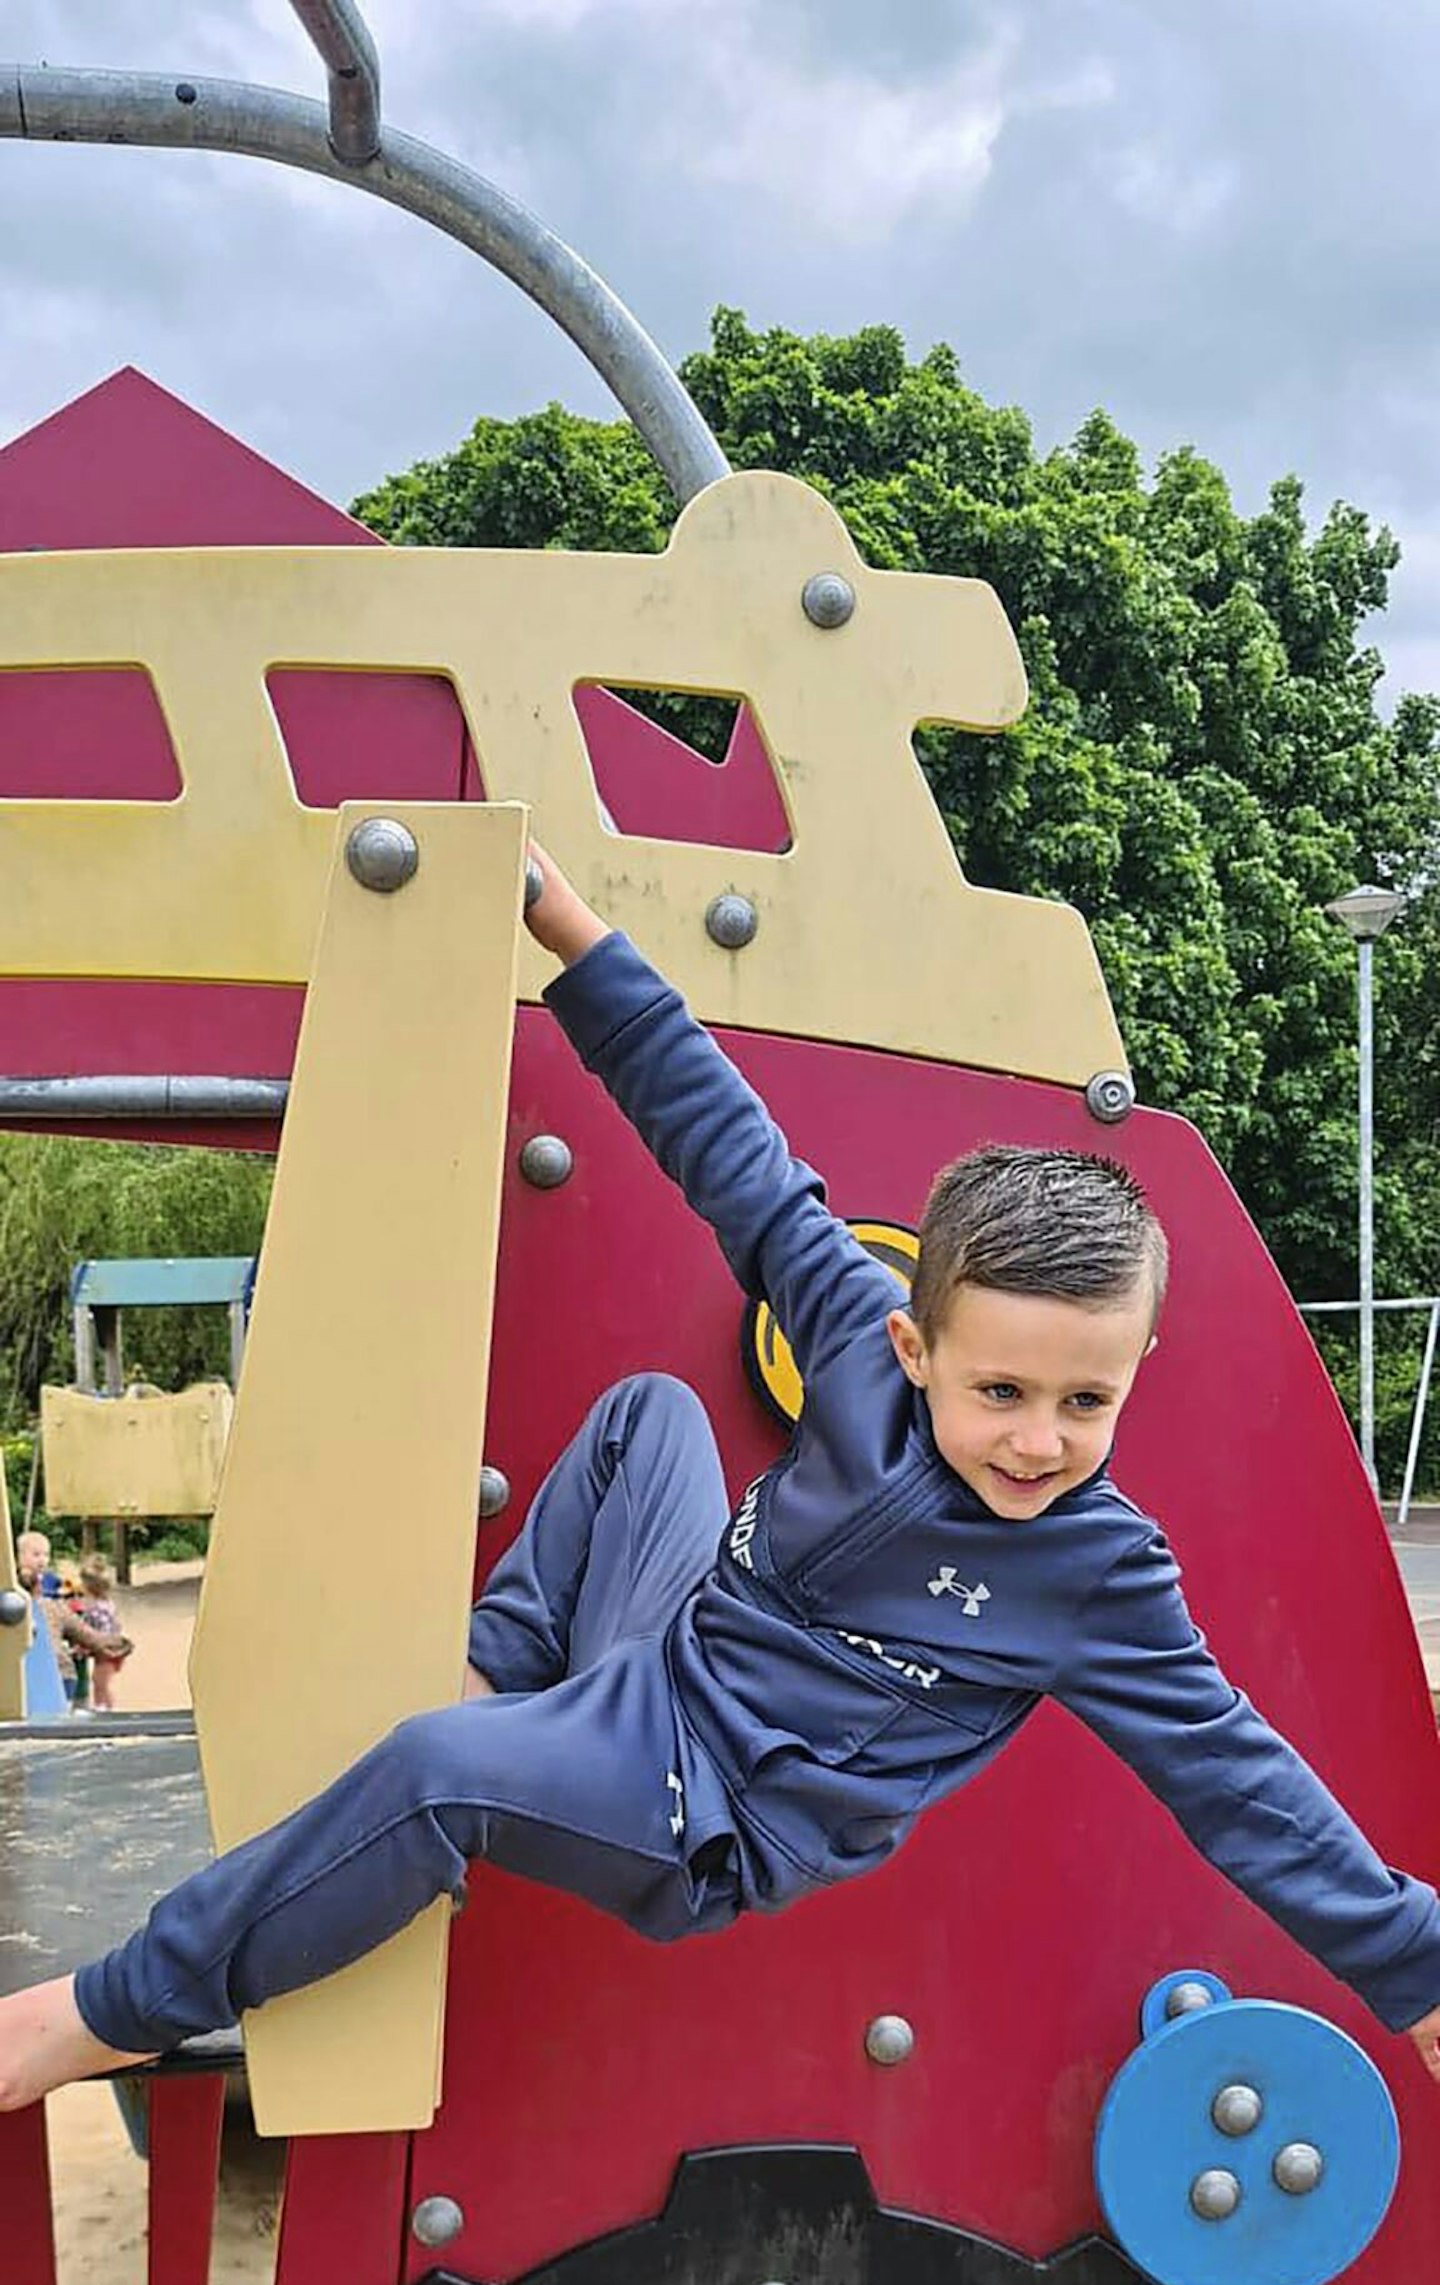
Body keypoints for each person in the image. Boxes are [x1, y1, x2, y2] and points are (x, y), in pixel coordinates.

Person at [1, 846, 1437, 2113]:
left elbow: (1242, 1787)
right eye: (1000, 1390)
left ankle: (113, 2013)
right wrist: (571, 931)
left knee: (433, 1776)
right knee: (650, 1416)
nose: (1037, 1441)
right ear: (911, 1346)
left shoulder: (1098, 1575)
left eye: (1085, 1403)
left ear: (1134, 1377)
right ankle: (506, 1698)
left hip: (713, 1817)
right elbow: (738, 1160)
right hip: (661, 1666)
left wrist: (1416, 1974)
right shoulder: (859, 1358)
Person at [15, 1529, 130, 1710]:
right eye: (36, 1554)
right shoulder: (47, 1607)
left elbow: (87, 1634)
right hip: (41, 1674)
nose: (42, 1560)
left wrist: (115, 1642)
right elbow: (88, 1635)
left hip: (52, 1674)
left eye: (45, 1555)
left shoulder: (56, 1605)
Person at [73, 1551, 133, 1710]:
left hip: (109, 1650)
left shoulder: (97, 1608)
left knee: (100, 1682)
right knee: (99, 1681)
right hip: (109, 1647)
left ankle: (105, 1708)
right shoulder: (103, 1603)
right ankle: (102, 1706)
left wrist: (85, 1645)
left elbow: (99, 1632)